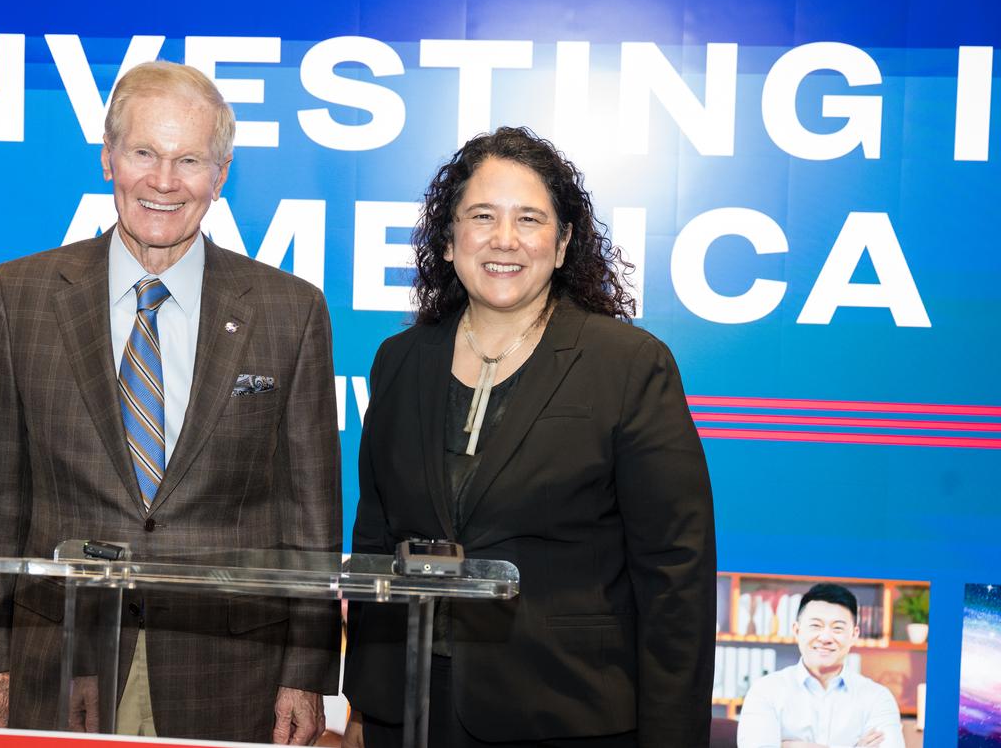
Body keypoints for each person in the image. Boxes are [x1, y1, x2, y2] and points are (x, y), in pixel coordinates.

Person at [0, 60, 341, 743]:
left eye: (189, 159)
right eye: (144, 152)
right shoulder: (20, 296)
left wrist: (306, 671)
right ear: (108, 156)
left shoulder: (292, 312)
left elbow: (310, 520)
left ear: (219, 174)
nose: (164, 181)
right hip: (58, 663)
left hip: (230, 673)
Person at [342, 127, 716, 748]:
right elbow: (376, 539)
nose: (504, 240)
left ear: (564, 242)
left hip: (567, 712)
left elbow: (676, 573)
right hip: (410, 713)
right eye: (482, 216)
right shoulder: (400, 361)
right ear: (448, 238)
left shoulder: (626, 364)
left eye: (530, 219)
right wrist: (364, 701)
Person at [737, 584, 905, 748]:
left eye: (837, 628)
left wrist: (792, 745)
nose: (825, 637)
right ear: (797, 630)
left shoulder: (877, 698)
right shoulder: (765, 691)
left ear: (854, 635)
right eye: (816, 625)